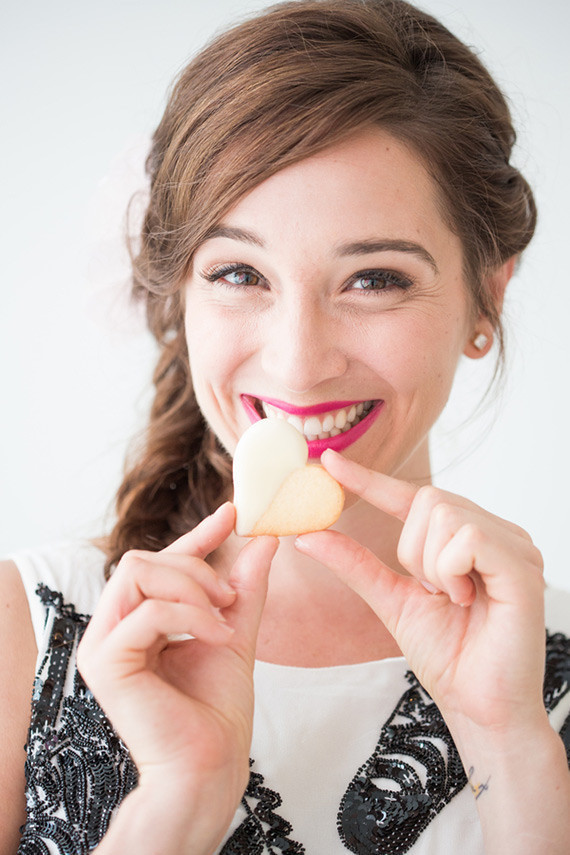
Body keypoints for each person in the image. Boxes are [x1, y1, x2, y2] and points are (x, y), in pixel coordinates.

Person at [2, 0, 569, 852]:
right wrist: (178, 799)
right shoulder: (25, 632)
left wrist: (512, 749)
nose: (299, 363)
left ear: (486, 297)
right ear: (179, 293)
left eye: (374, 279)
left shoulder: (541, 680)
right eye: (239, 272)